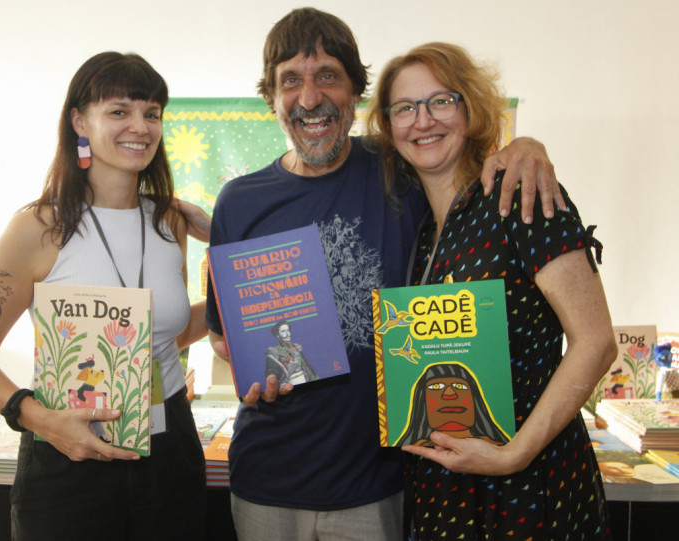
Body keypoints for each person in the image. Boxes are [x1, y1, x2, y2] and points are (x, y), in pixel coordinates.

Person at [205, 8, 564, 540]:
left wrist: (526, 148)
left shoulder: (401, 169)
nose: (309, 98)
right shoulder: (238, 201)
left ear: (356, 92)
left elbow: (460, 150)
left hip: (378, 481)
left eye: (327, 75)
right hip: (267, 479)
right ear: (271, 98)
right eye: (290, 82)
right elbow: (222, 336)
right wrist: (257, 372)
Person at [0, 52, 209, 540]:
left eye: (152, 113)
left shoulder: (169, 222)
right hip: (68, 451)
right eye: (119, 111)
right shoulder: (38, 228)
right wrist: (41, 421)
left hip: (169, 447)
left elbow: (163, 332)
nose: (141, 126)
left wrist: (239, 278)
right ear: (79, 121)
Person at [366, 41, 617, 539]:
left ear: (471, 108)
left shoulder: (519, 193)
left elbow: (597, 341)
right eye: (405, 108)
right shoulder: (419, 230)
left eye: (441, 100)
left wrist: (512, 454)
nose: (423, 120)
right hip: (443, 493)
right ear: (389, 128)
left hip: (528, 485)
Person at [394, 362, 511, 447]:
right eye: (436, 386)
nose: (449, 393)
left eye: (460, 386)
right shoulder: (412, 446)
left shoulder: (500, 446)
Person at [265, 321, 318, 387]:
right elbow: (271, 375)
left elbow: (306, 366)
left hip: (304, 381)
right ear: (277, 335)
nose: (287, 334)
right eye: (283, 331)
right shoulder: (273, 353)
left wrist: (315, 380)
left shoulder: (296, 348)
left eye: (288, 330)